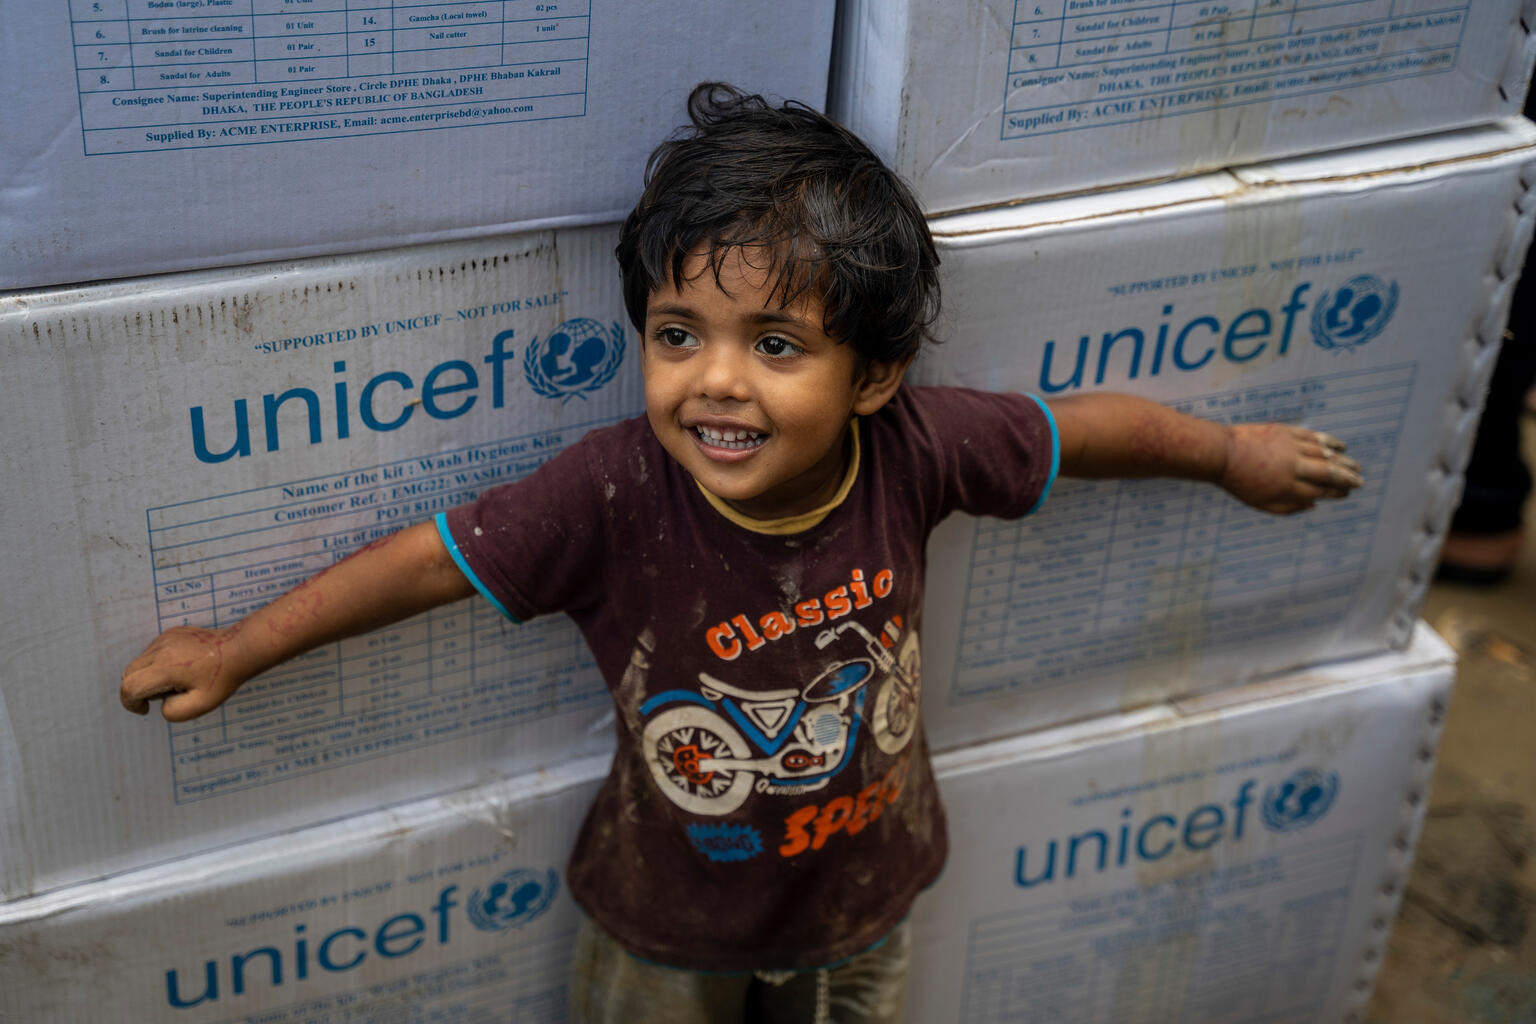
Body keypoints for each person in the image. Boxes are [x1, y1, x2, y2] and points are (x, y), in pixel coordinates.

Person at [119, 83, 1363, 1023]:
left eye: (776, 343)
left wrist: (1226, 451)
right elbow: (432, 561)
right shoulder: (610, 490)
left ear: (875, 375)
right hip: (665, 918)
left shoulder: (921, 448)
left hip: (867, 896)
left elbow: (1078, 430)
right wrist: (240, 645)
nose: (716, 380)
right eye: (678, 332)